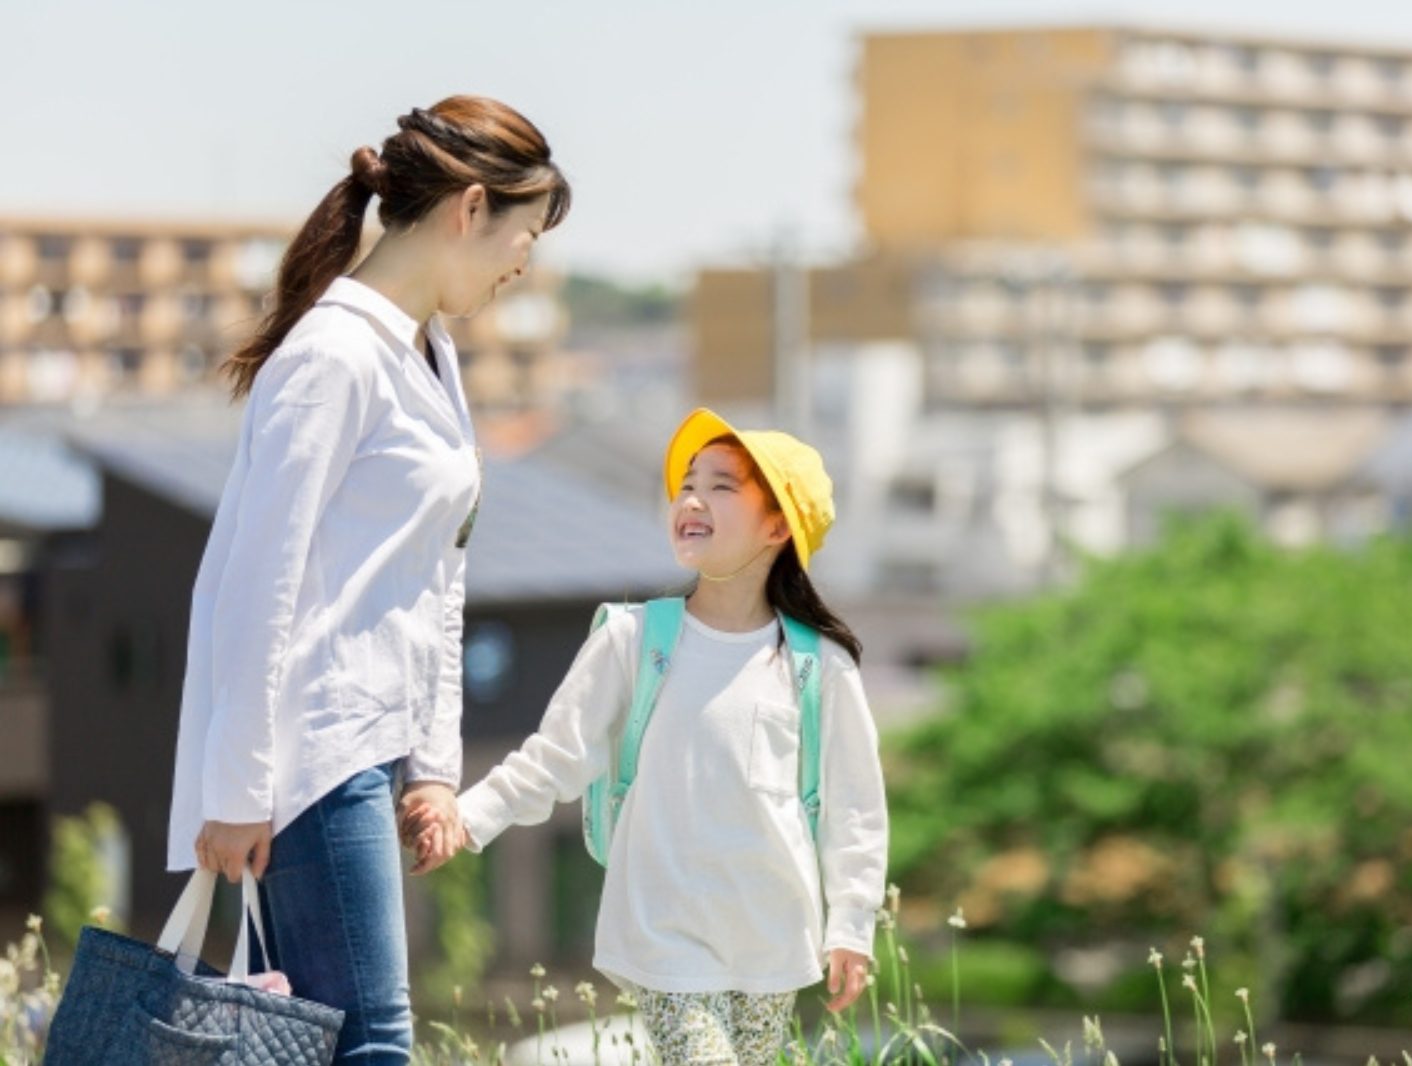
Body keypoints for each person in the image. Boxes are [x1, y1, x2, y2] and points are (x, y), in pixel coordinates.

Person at [166, 95, 570, 1064]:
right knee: (370, 1041)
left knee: (331, 1039)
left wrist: (432, 764)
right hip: (311, 748)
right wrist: (238, 785)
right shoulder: (333, 355)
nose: (521, 267)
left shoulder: (427, 352)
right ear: (469, 208)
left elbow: (436, 577)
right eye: (523, 238)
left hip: (368, 743)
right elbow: (256, 578)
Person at [406, 408, 889, 1066]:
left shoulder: (818, 666)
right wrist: (467, 816)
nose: (692, 499)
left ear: (778, 526)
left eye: (721, 486)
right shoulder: (633, 640)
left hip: (771, 938)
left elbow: (855, 808)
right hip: (663, 935)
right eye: (687, 484)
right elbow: (557, 756)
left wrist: (852, 925)